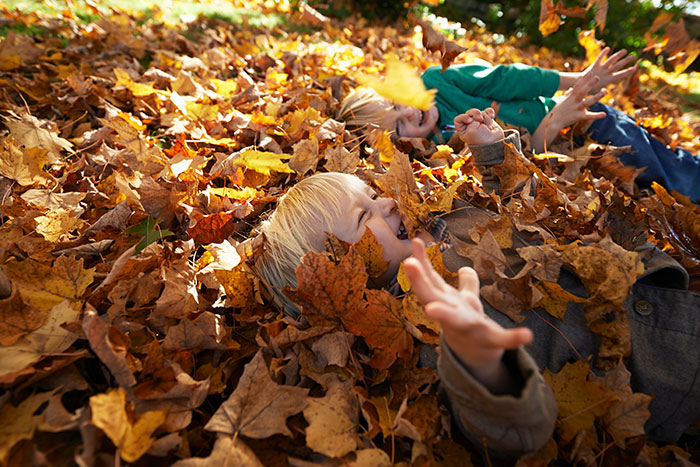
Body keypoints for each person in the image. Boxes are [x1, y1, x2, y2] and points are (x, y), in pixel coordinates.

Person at [253, 108, 700, 458]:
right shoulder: (431, 329)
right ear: (341, 277)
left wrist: (491, 154)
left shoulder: (443, 222)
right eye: (363, 215)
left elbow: (522, 214)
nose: (388, 201)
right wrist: (483, 363)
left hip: (657, 281)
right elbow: (518, 431)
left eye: (373, 195)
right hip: (669, 368)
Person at [337, 47, 700, 202]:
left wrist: (579, 80)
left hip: (584, 119)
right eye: (400, 127)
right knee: (651, 187)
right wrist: (549, 128)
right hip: (564, 150)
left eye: (401, 103)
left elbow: (511, 78)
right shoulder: (439, 156)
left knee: (668, 173)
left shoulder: (440, 81)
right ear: (398, 145)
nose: (410, 114)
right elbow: (519, 164)